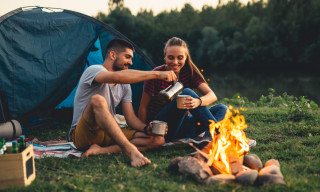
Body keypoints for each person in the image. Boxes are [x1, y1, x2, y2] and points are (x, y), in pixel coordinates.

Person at [68, 38, 177, 167]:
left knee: (157, 140)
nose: (130, 62)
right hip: (84, 134)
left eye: (131, 58)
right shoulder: (93, 70)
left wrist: (146, 128)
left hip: (107, 133)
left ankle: (100, 150)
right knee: (97, 100)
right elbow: (116, 77)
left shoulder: (125, 86)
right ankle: (131, 151)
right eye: (127, 57)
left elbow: (130, 118)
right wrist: (157, 74)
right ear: (113, 55)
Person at [138, 37, 228, 142]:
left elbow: (212, 96)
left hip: (182, 125)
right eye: (171, 57)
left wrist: (198, 101)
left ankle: (207, 139)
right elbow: (143, 108)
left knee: (222, 108)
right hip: (162, 128)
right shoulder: (156, 74)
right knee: (186, 92)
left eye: (180, 58)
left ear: (186, 57)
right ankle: (218, 134)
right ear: (165, 57)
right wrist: (144, 130)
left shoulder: (189, 72)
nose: (175, 62)